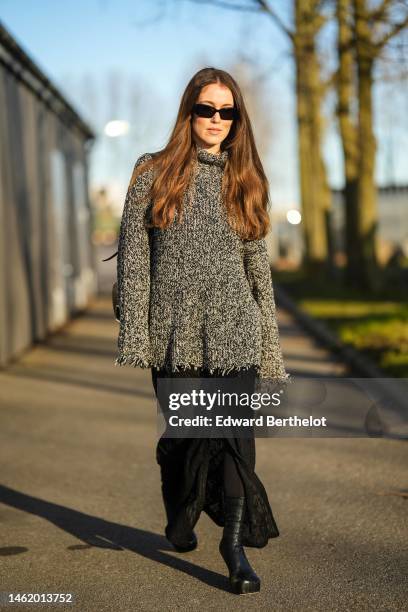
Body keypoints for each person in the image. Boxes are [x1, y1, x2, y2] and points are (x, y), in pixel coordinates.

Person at [114, 67, 291, 595]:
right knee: (187, 440)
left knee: (236, 441)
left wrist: (269, 346)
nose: (216, 120)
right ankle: (179, 510)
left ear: (238, 120)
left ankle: (232, 547)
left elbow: (258, 268)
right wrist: (136, 332)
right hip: (173, 332)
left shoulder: (247, 179)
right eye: (206, 109)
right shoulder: (153, 171)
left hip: (236, 327)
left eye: (227, 111)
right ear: (189, 112)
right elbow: (135, 259)